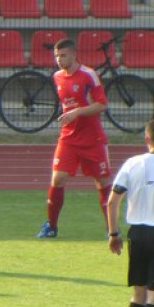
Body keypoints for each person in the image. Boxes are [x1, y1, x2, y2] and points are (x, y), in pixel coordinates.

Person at [36, 38, 111, 238]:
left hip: (92, 139)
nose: (59, 60)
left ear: (74, 54)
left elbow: (102, 105)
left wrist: (77, 112)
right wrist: (70, 115)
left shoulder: (89, 75)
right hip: (68, 138)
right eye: (56, 56)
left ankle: (111, 229)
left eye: (63, 55)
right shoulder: (58, 77)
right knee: (58, 178)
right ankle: (51, 226)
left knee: (102, 182)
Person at [108, 120, 154, 307]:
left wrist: (114, 234)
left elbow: (112, 201)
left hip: (136, 233)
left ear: (147, 139)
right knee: (153, 295)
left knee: (138, 293)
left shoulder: (132, 163)